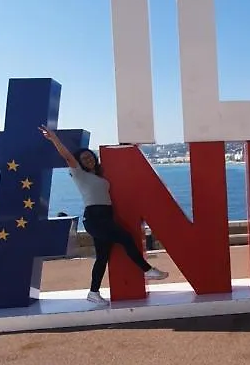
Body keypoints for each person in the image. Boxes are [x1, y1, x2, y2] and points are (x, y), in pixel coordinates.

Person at [39, 125, 168, 304]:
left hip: (105, 216)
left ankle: (93, 292)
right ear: (79, 163)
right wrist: (54, 139)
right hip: (95, 217)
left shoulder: (99, 176)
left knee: (102, 257)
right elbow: (67, 156)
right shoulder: (79, 174)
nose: (88, 159)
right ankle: (147, 270)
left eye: (90, 156)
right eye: (84, 158)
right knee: (125, 237)